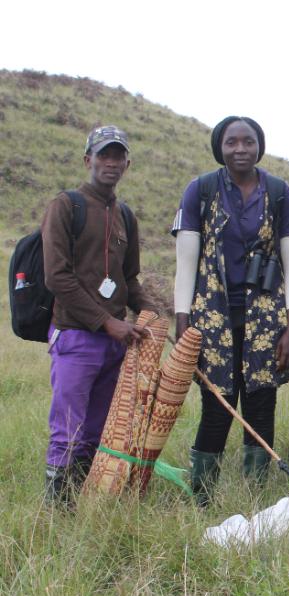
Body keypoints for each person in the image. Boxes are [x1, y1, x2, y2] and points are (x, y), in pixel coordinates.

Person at [171, 116, 289, 506]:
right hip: (213, 317)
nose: (240, 149)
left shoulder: (279, 193)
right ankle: (202, 495)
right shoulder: (202, 190)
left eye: (248, 141)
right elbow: (186, 263)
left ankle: (256, 495)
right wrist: (182, 321)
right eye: (232, 142)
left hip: (266, 317)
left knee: (262, 401)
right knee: (217, 403)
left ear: (259, 146)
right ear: (220, 147)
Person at [40, 126, 154, 505]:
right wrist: (106, 321)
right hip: (76, 336)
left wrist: (153, 314)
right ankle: (56, 510)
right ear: (88, 159)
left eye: (118, 156)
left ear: (127, 164)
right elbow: (57, 276)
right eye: (103, 155)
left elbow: (129, 279)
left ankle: (80, 498)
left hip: (114, 344)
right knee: (67, 429)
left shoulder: (125, 216)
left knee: (98, 428)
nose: (111, 162)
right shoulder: (66, 206)